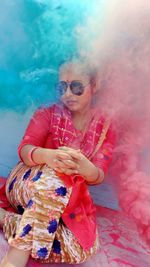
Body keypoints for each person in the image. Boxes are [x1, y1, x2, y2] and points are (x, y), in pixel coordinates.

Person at [0, 61, 115, 267]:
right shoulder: (48, 112)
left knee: (78, 249)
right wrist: (49, 157)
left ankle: (10, 221)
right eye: (62, 87)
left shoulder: (105, 126)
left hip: (70, 198)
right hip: (28, 182)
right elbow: (25, 150)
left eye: (76, 87)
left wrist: (87, 169)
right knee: (56, 176)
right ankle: (14, 260)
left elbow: (99, 173)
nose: (68, 94)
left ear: (95, 84)